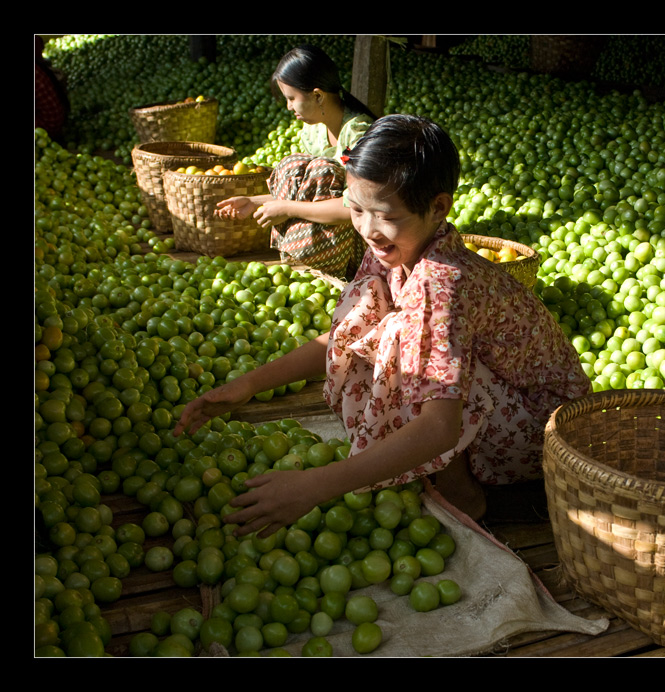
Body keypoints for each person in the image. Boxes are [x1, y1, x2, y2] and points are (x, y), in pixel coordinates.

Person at [174, 114, 591, 536]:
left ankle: (466, 493)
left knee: (402, 343)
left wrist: (315, 485)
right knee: (381, 325)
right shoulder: (397, 245)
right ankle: (428, 467)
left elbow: (439, 427)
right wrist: (248, 385)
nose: (369, 230)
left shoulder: (440, 282)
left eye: (385, 215)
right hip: (498, 403)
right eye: (356, 210)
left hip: (542, 431)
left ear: (438, 208)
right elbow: (348, 335)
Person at [215, 45, 375, 278]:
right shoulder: (312, 132)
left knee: (314, 168)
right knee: (297, 168)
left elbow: (355, 205)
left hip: (364, 239)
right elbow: (306, 193)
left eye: (291, 98)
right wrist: (253, 202)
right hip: (333, 237)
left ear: (318, 95)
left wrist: (287, 208)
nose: (288, 107)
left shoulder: (357, 134)